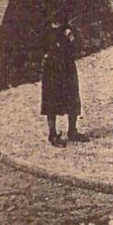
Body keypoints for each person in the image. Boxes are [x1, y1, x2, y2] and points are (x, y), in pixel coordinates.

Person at [41, 14, 88, 147]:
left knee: (72, 97)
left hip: (67, 67)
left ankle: (72, 131)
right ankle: (52, 134)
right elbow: (41, 47)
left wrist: (71, 35)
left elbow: (78, 46)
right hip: (52, 68)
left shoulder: (68, 30)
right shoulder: (46, 31)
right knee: (51, 100)